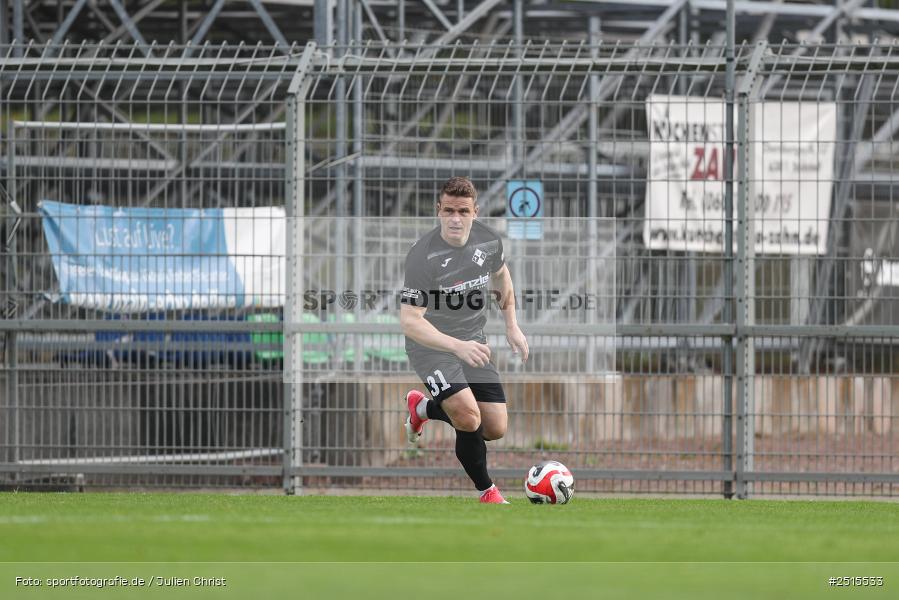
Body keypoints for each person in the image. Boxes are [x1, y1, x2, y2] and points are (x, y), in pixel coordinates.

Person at [399, 176, 529, 504]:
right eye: (448, 211)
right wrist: (456, 346)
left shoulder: (488, 241)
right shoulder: (422, 256)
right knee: (469, 416)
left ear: (475, 212)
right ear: (438, 211)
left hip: (474, 342)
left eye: (463, 211)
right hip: (432, 348)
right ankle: (488, 492)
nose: (455, 218)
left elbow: (501, 275)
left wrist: (512, 325)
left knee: (494, 427)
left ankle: (423, 408)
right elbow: (411, 322)